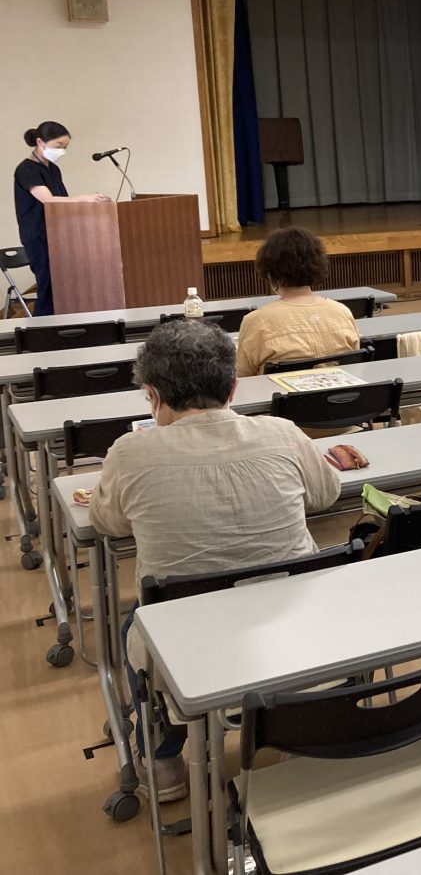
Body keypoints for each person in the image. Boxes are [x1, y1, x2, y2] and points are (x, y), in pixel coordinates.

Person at [91, 319, 341, 799]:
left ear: (152, 395)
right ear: (232, 386)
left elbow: (110, 523)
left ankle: (163, 761)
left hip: (185, 641)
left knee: (134, 628)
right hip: (298, 619)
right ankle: (297, 729)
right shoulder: (282, 433)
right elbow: (326, 494)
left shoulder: (130, 452)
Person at [12, 121, 111, 315]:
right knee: (48, 286)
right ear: (40, 142)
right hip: (39, 236)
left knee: (64, 286)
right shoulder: (26, 169)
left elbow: (63, 202)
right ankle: (40, 334)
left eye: (65, 147)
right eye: (59, 146)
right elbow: (48, 201)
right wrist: (83, 198)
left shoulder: (53, 169)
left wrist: (90, 203)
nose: (62, 151)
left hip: (59, 235)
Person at [235, 227, 360, 376]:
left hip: (280, 397)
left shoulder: (256, 321)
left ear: (270, 272)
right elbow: (355, 368)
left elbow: (242, 378)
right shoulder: (342, 312)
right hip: (341, 398)